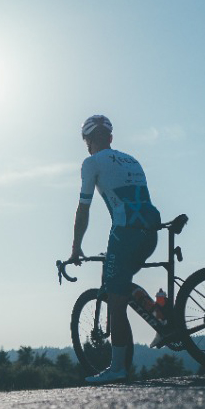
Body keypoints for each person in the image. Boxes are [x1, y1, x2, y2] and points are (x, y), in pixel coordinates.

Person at [68, 114, 161, 384]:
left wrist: (76, 247)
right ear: (110, 137)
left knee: (116, 302)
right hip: (151, 232)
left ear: (88, 140)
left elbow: (83, 208)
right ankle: (161, 318)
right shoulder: (132, 159)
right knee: (122, 281)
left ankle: (117, 368)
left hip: (125, 234)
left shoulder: (91, 163)